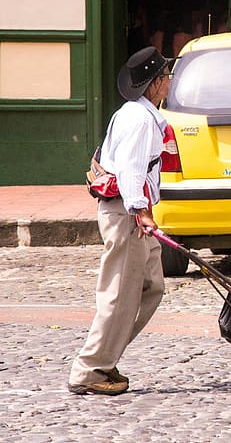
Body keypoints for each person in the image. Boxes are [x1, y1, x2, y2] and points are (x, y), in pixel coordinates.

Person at [68, 47, 173, 395]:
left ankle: (105, 356)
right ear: (155, 83)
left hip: (127, 212)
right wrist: (141, 211)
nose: (170, 80)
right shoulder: (141, 120)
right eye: (166, 75)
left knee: (151, 285)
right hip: (125, 213)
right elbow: (130, 170)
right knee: (117, 295)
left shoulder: (140, 114)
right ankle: (89, 369)